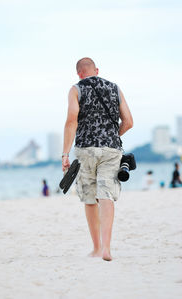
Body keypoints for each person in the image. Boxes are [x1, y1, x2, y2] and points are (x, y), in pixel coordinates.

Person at [62, 57, 133, 261]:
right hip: (111, 150)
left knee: (89, 198)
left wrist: (65, 153)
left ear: (79, 73)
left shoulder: (76, 89)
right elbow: (128, 122)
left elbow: (71, 121)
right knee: (106, 195)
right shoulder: (115, 88)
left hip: (86, 149)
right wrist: (112, 137)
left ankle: (96, 247)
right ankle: (107, 249)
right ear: (97, 70)